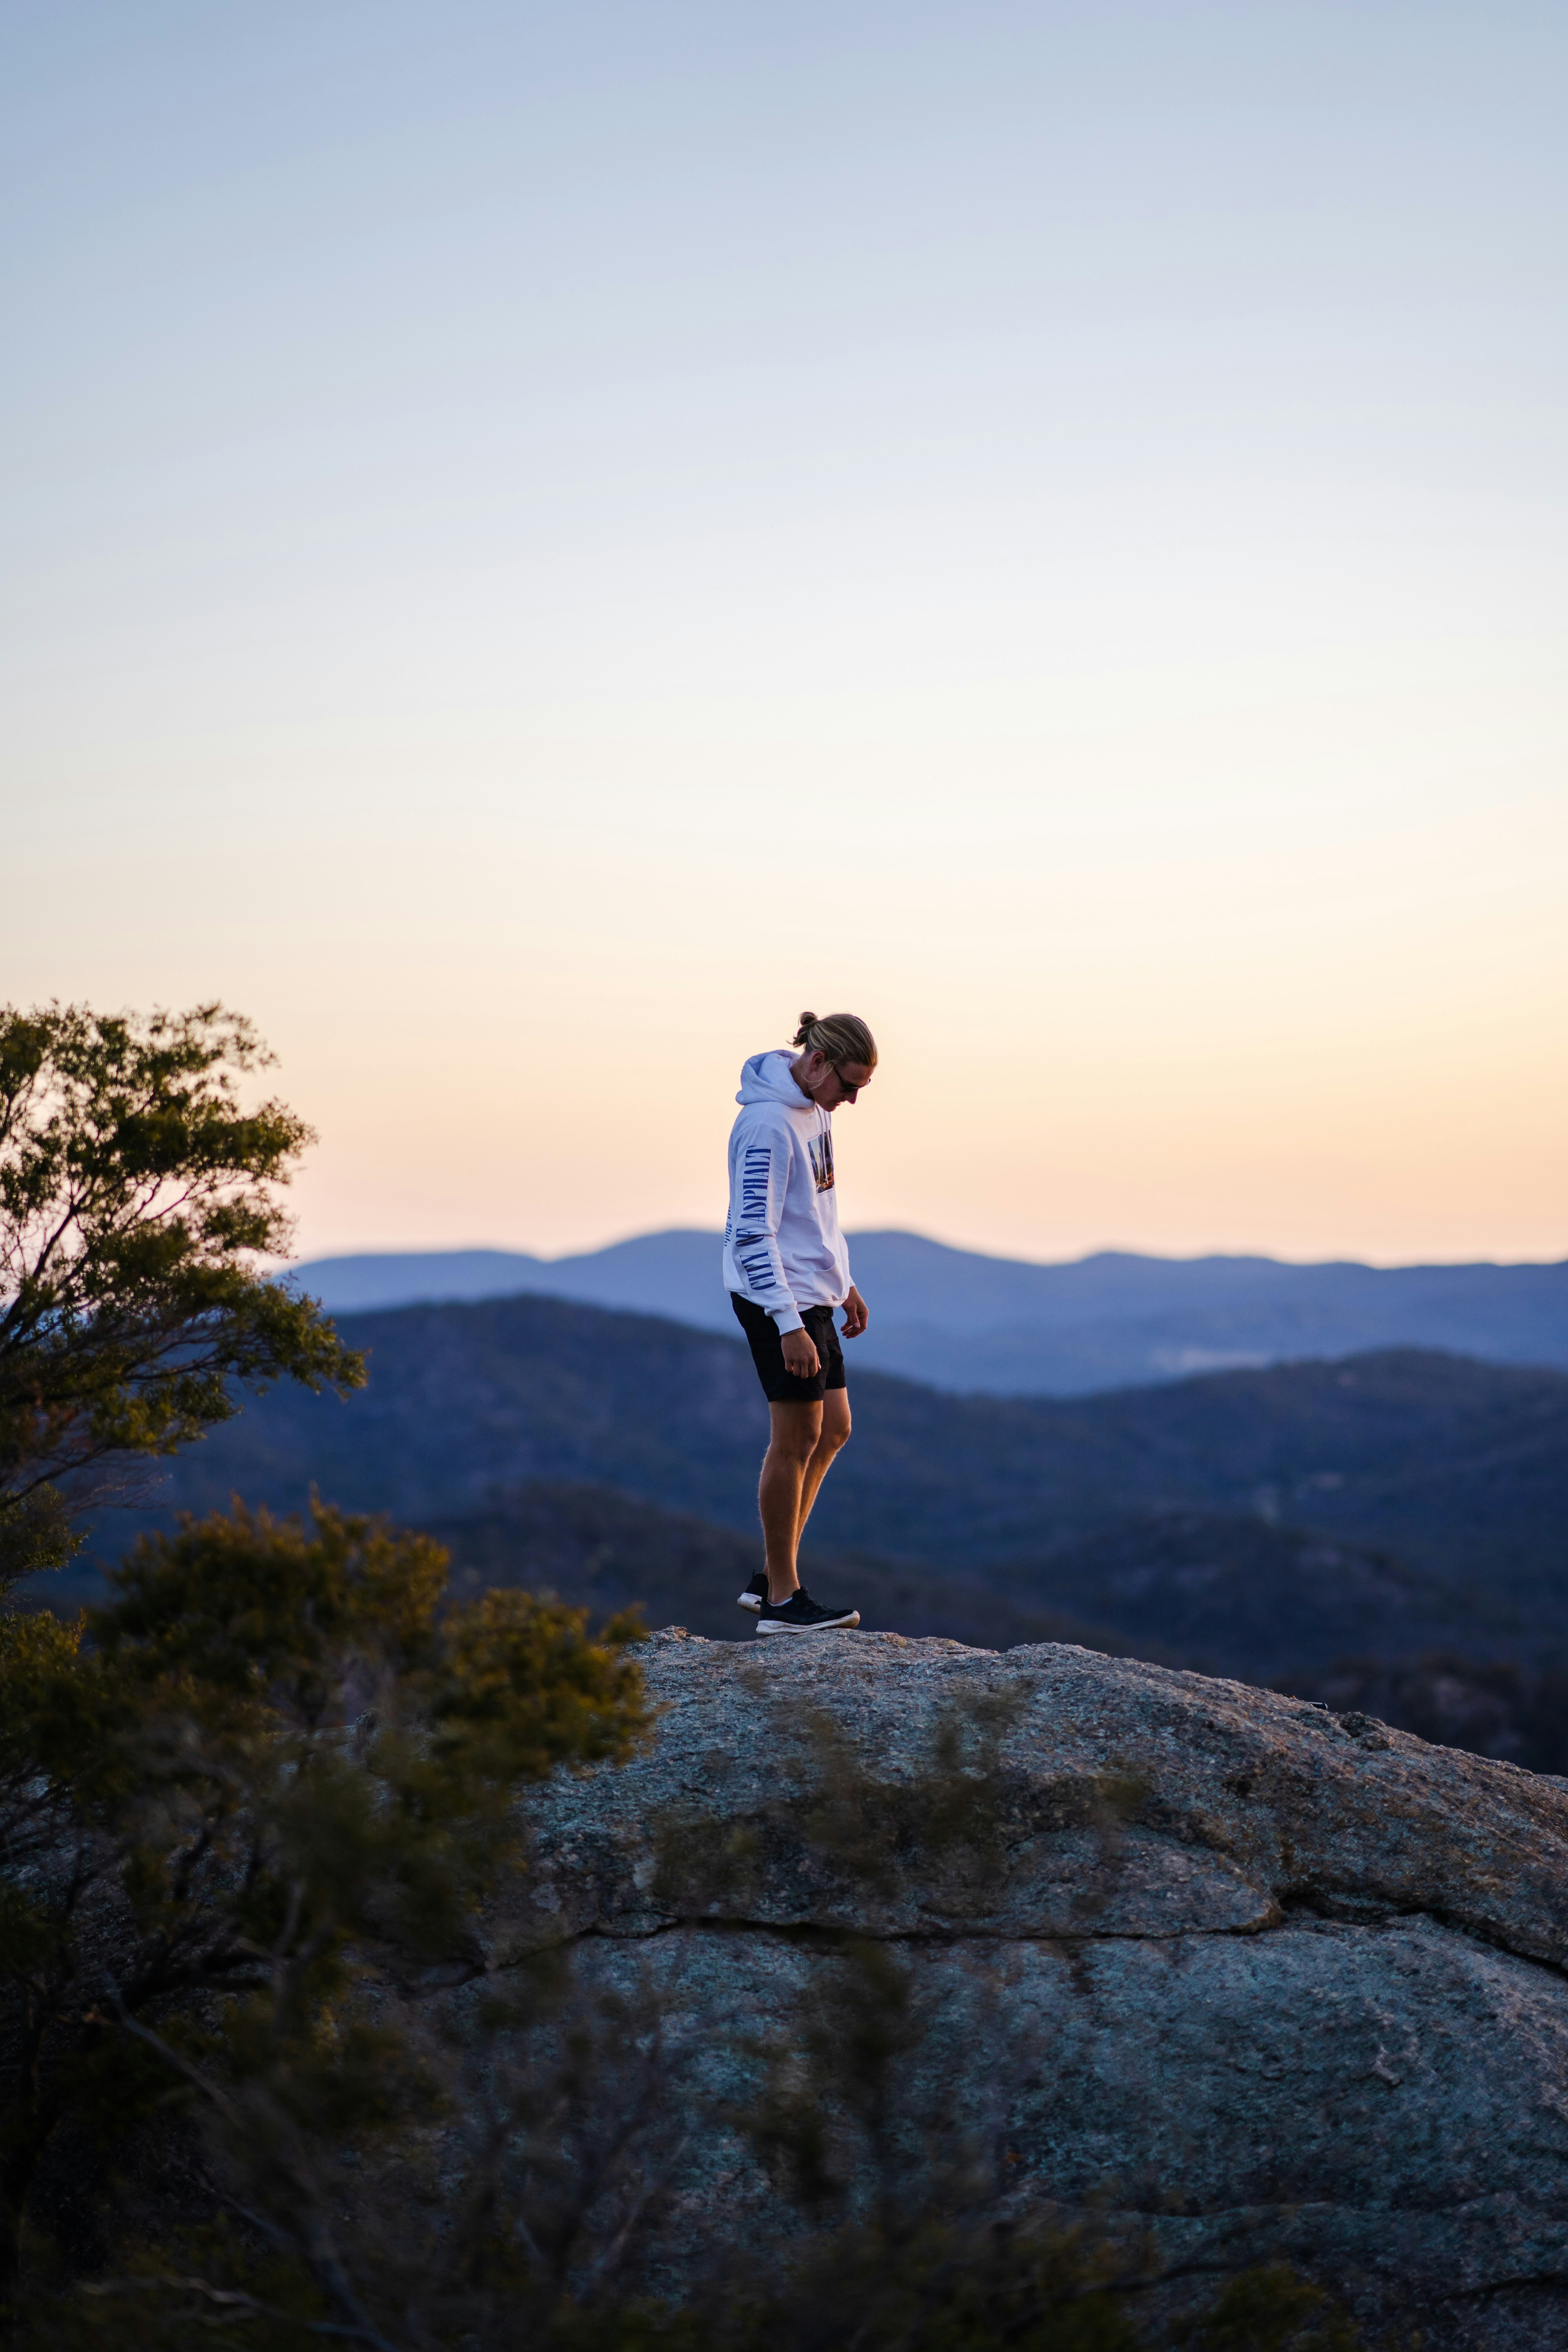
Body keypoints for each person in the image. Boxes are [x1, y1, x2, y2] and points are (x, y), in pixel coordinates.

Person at [722, 1010, 877, 1633]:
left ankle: (771, 1577)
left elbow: (818, 1209)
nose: (853, 1099)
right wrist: (786, 1321)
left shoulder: (814, 1111)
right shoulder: (765, 1126)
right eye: (850, 1084)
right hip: (774, 1299)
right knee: (794, 1441)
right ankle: (782, 1602)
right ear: (817, 1064)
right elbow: (751, 1232)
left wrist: (844, 1284)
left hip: (811, 1292)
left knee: (834, 1429)